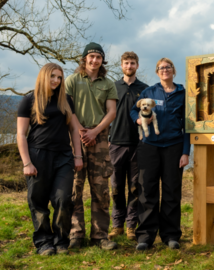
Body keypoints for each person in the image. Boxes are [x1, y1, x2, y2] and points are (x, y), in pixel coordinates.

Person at [17, 63, 83, 255]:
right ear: (44, 77)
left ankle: (61, 240)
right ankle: (44, 242)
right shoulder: (29, 100)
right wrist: (27, 163)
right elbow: (21, 134)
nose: (56, 80)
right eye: (52, 76)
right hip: (38, 155)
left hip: (63, 156)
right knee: (38, 200)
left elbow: (74, 129)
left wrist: (77, 156)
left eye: (59, 77)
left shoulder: (66, 101)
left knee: (63, 199)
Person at [130, 57, 190, 251]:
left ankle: (171, 235)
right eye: (161, 68)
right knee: (147, 190)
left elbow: (188, 126)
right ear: (157, 72)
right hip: (149, 146)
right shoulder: (149, 91)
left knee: (172, 191)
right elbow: (133, 111)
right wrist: (138, 121)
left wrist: (185, 152)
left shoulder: (183, 93)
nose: (165, 70)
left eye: (168, 67)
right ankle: (145, 236)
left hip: (174, 146)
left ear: (173, 70)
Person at [65, 42, 119, 250]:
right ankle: (76, 234)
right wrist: (81, 132)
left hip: (100, 139)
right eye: (91, 56)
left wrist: (95, 132)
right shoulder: (72, 80)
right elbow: (69, 110)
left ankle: (100, 236)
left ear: (102, 60)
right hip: (75, 137)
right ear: (84, 58)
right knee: (74, 188)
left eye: (98, 57)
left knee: (100, 190)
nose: (94, 60)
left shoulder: (108, 83)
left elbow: (111, 112)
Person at [108, 52, 149, 241]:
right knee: (116, 187)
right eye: (126, 63)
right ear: (121, 65)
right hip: (115, 143)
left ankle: (131, 225)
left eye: (133, 63)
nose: (129, 65)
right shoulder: (112, 87)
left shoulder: (145, 89)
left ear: (137, 66)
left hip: (137, 145)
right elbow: (104, 113)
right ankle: (117, 224)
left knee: (134, 188)